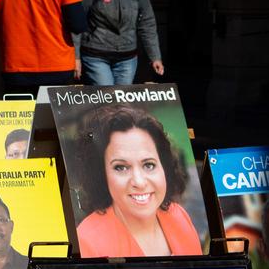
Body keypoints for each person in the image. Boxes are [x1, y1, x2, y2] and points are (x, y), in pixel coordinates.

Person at [75, 105, 202, 258]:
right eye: (121, 167)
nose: (139, 182)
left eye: (149, 165)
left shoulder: (178, 215)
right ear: (102, 175)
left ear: (164, 167)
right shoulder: (87, 242)